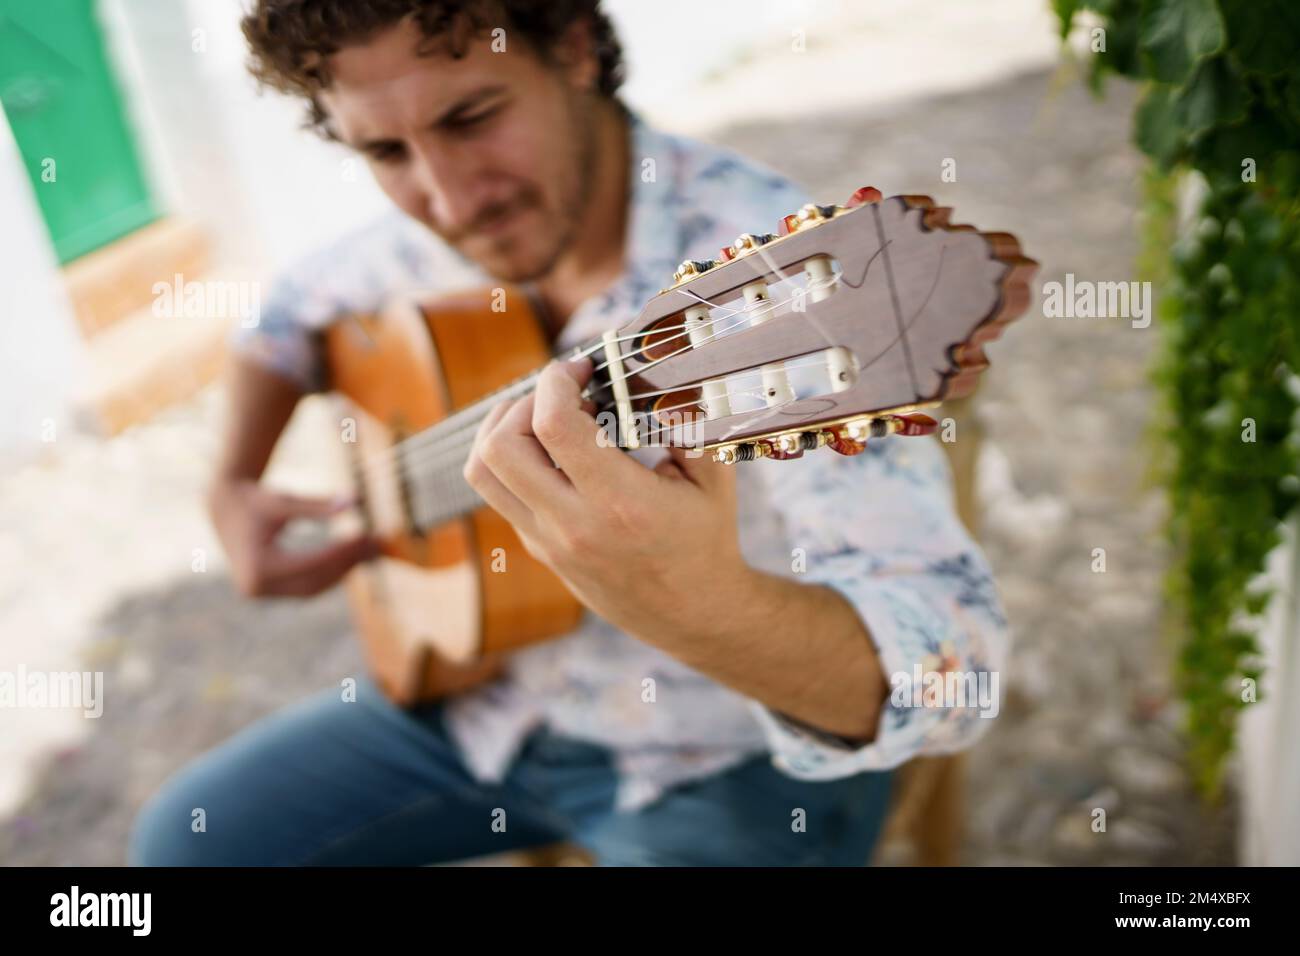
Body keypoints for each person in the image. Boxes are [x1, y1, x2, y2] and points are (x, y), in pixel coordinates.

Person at [129, 0, 1008, 866]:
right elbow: (280, 322)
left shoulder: (768, 283)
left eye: (472, 117)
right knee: (183, 845)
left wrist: (705, 605)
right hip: (488, 709)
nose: (449, 200)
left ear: (577, 48)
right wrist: (233, 481)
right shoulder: (409, 249)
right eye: (387, 152)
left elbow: (953, 672)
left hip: (724, 757)